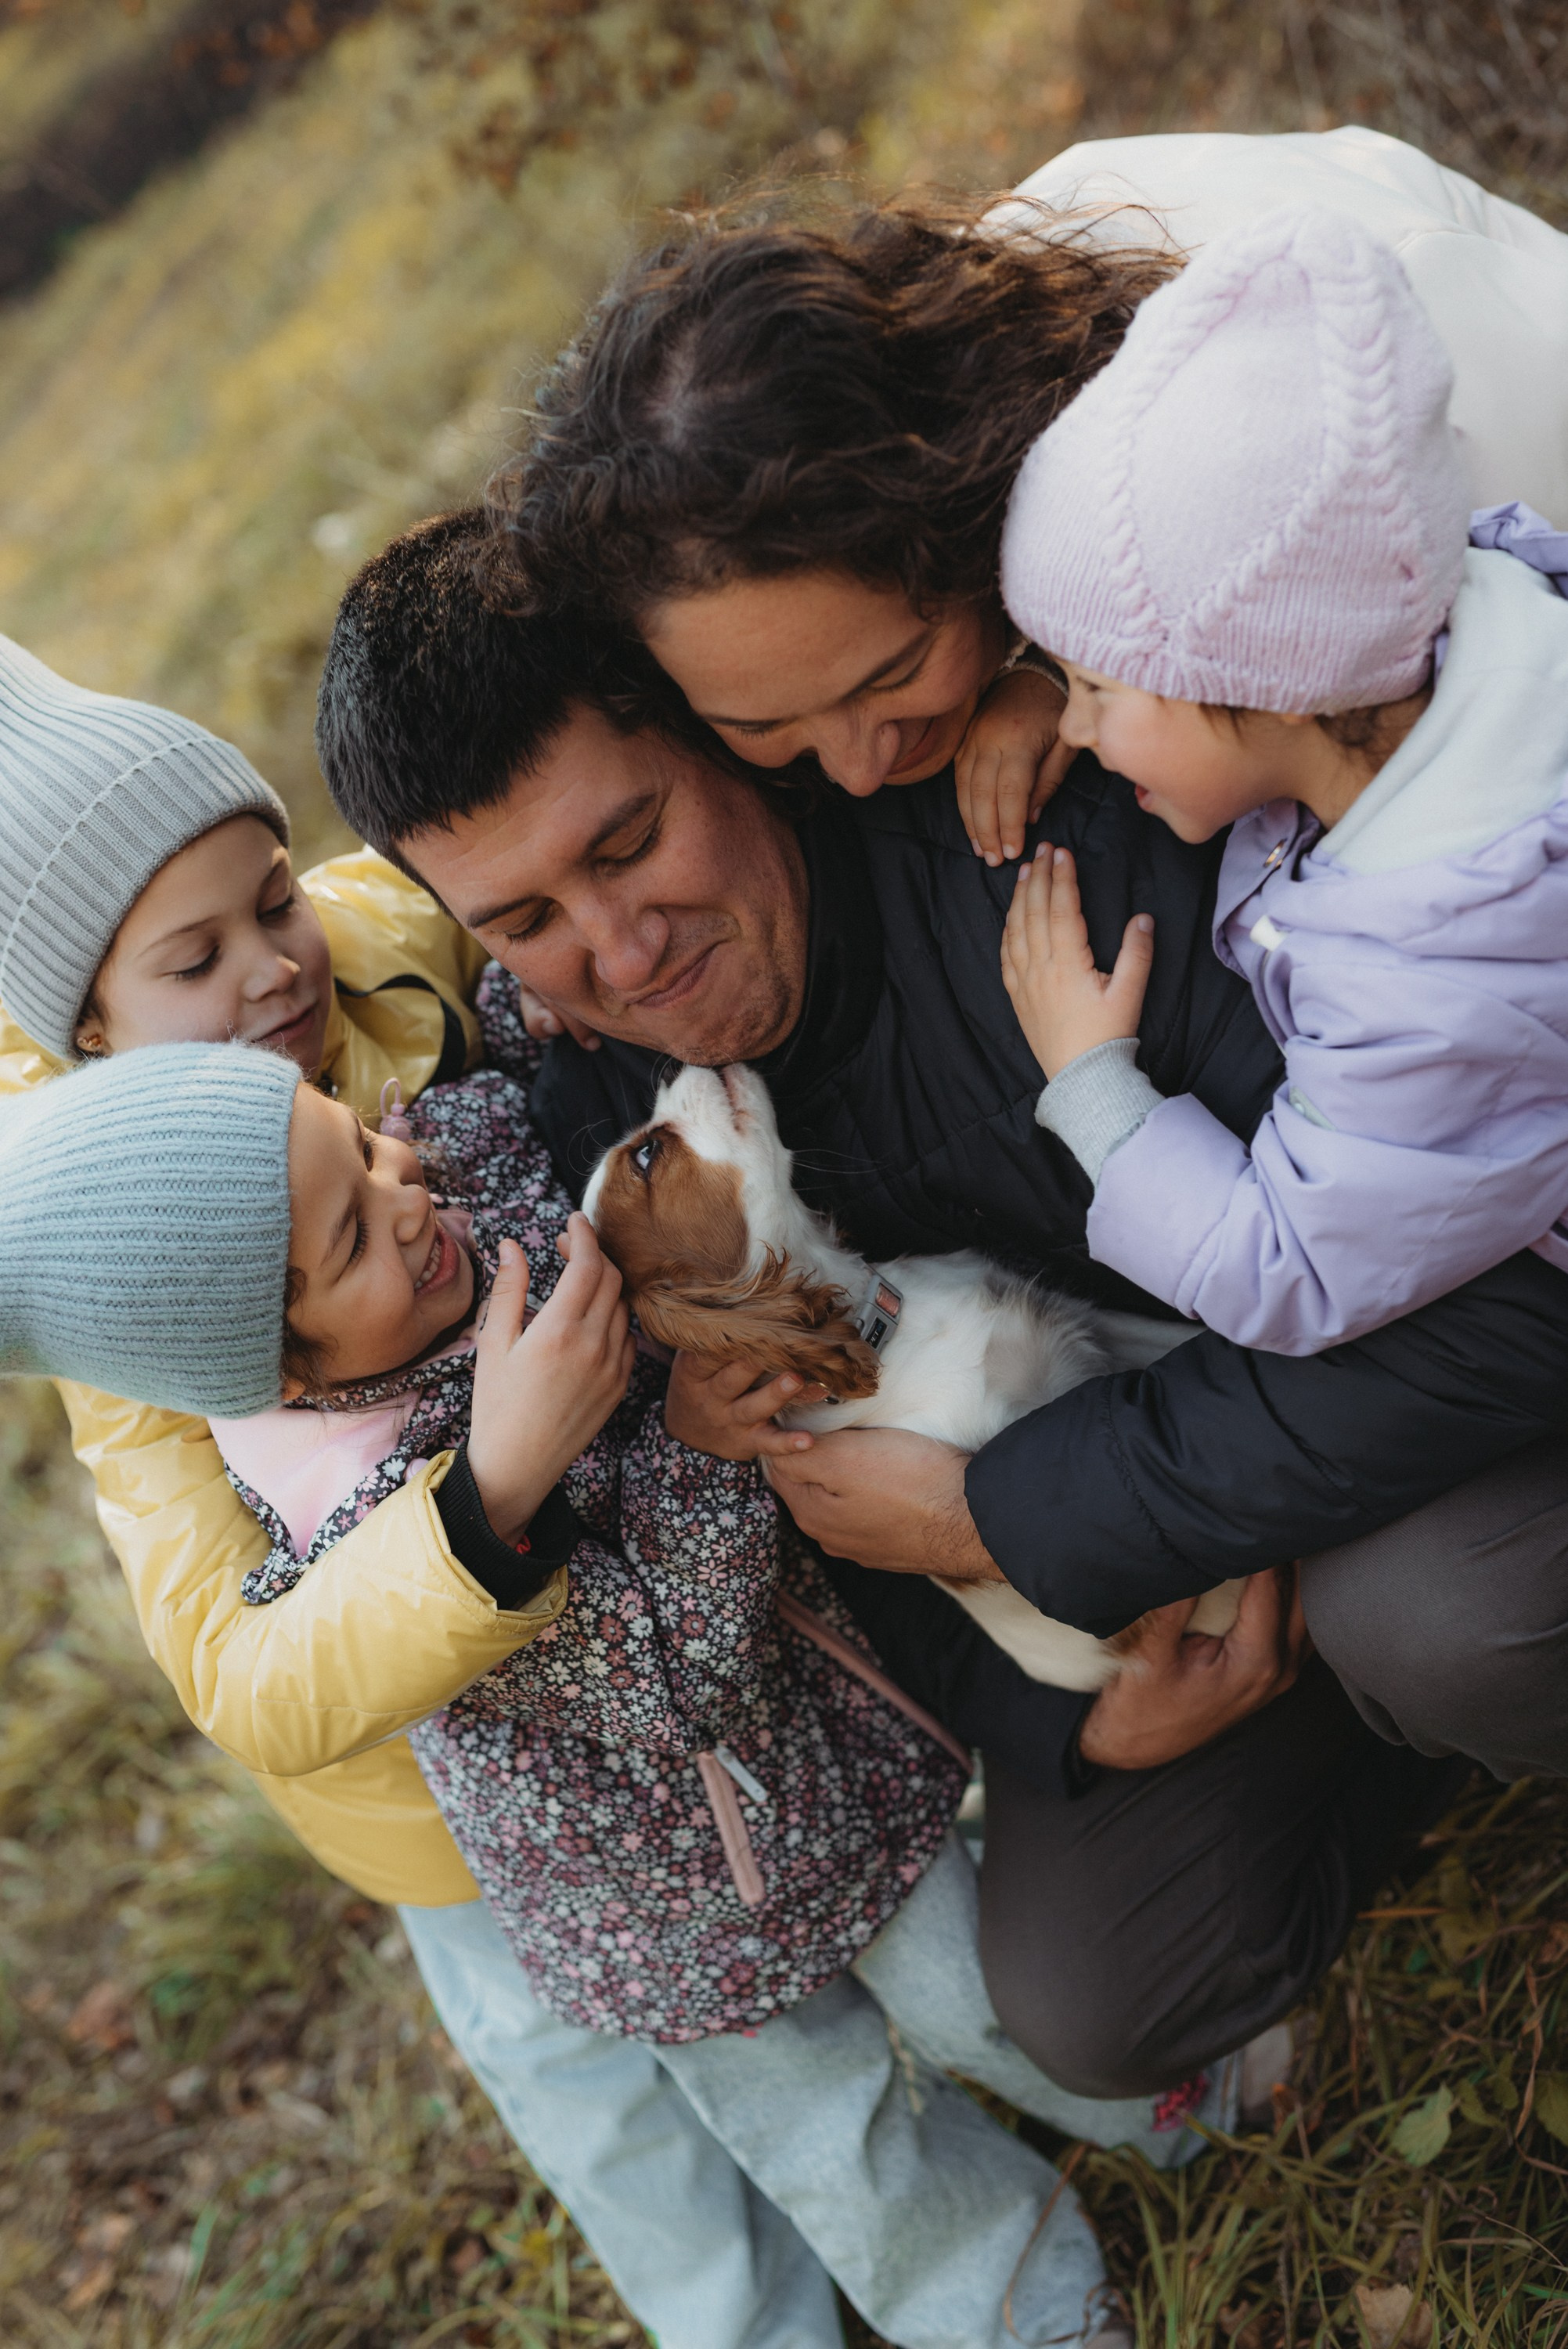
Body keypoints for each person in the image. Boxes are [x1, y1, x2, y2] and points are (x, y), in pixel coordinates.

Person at [315, 510, 1484, 2100]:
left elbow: (1449, 1296)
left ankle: (1425, 1666)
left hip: (1378, 1426)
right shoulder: (602, 1127)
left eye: (626, 842)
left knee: (1450, 1618)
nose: (619, 952)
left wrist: (1009, 1518)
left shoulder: (1030, 834)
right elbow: (815, 1565)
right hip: (1130, 1614)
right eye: (522, 923)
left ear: (723, 735)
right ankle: (1378, 1742)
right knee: (1098, 2000)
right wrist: (1062, 1721)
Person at [0, 1034, 1206, 2349]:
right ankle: (1024, 2315)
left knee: (979, 1988)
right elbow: (679, 1684)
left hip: (836, 1767)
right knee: (850, 2142)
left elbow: (486, 1094)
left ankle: (1192, 2103)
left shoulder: (451, 1203)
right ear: (279, 1374)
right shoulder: (382, 1516)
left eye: (360, 1141)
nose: (410, 1195)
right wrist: (690, 1450)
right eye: (352, 1233)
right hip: (672, 1927)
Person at [0, 634, 851, 2349]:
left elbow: (503, 894)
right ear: (90, 1028)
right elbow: (242, 1678)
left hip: (667, 1641)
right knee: (602, 2090)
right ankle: (746, 2324)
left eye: (269, 898)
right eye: (195, 958)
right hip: (450, 1800)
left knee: (798, 1955)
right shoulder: (128, 1274)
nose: (270, 971)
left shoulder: (374, 946)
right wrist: (478, 1509)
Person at [999, 205, 1568, 1361]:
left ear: (1274, 680)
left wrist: (1092, 1086)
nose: (1074, 726)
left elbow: (1297, 1267)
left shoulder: (1445, 974)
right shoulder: (1496, 641)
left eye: (1100, 687)